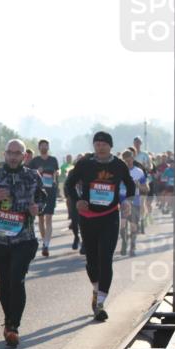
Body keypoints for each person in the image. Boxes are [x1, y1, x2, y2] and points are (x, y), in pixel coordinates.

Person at [64, 131, 136, 322]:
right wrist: (78, 200)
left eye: (104, 144)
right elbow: (69, 184)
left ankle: (101, 303)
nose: (100, 146)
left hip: (110, 216)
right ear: (94, 146)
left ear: (110, 146)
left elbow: (130, 187)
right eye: (97, 143)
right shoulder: (85, 164)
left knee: (106, 258)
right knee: (92, 260)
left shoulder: (118, 165)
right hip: (88, 217)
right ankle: (96, 290)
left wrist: (125, 201)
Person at [0, 140, 44, 347]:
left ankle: (13, 326)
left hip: (24, 238)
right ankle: (8, 321)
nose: (13, 156)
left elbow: (42, 199)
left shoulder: (32, 176)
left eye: (17, 153)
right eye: (10, 152)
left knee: (16, 279)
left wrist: (38, 208)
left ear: (24, 156)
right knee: (4, 280)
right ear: (5, 153)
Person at [28, 139, 59, 257]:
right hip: (39, 192)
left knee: (49, 218)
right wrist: (37, 171)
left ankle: (46, 244)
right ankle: (44, 241)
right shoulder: (35, 161)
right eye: (42, 145)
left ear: (48, 147)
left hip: (51, 191)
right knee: (40, 219)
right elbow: (29, 174)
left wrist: (55, 185)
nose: (44, 147)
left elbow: (56, 174)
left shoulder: (53, 160)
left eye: (46, 145)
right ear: (39, 147)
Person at [119, 149, 148, 257]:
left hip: (135, 200)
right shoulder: (119, 171)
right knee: (122, 224)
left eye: (130, 158)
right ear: (123, 160)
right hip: (122, 200)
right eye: (125, 159)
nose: (128, 161)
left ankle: (132, 246)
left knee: (133, 226)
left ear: (132, 158)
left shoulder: (139, 172)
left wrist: (138, 185)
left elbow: (146, 188)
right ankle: (124, 242)